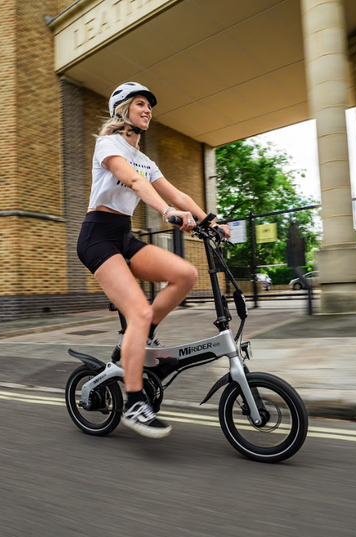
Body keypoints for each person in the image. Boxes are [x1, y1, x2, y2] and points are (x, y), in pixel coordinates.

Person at [76, 82, 231, 440]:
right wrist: (166, 213)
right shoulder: (108, 144)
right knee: (139, 312)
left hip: (123, 236)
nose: (148, 110)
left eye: (149, 106)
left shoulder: (147, 160)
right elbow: (131, 181)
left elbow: (177, 193)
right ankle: (133, 403)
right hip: (97, 237)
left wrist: (210, 222)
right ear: (123, 109)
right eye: (141, 104)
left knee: (184, 274)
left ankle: (142, 336)